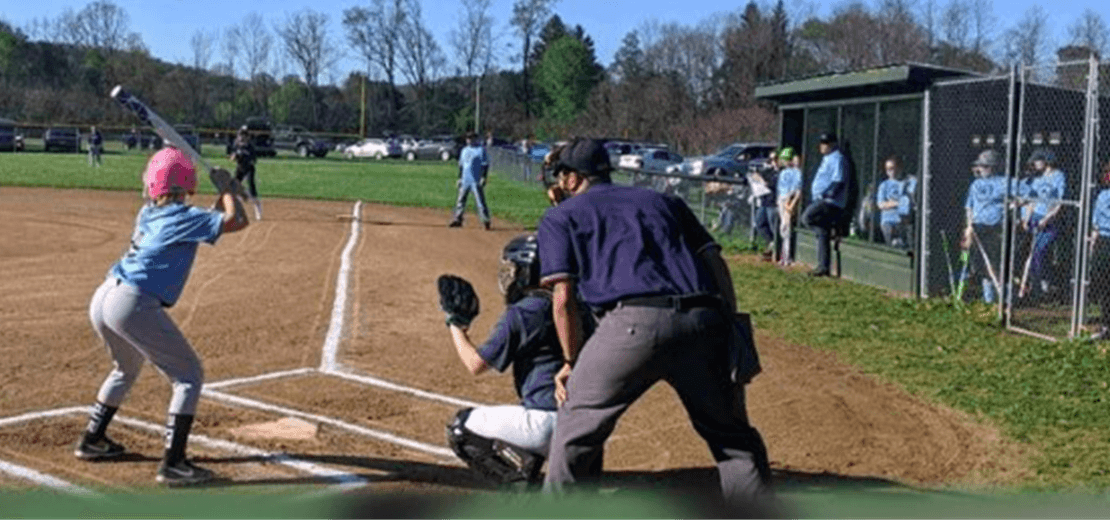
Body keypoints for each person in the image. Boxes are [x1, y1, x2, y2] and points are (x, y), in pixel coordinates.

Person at [536, 138, 772, 509]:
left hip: (629, 326)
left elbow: (563, 299)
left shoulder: (560, 217)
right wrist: (730, 326)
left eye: (560, 174)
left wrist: (570, 361)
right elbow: (715, 264)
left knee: (574, 432)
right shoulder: (665, 201)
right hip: (703, 319)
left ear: (571, 180)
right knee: (733, 439)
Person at [75, 148, 249, 486]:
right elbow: (236, 220)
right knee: (189, 376)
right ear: (187, 183)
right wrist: (227, 190)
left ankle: (92, 439)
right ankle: (174, 464)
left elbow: (206, 222)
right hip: (133, 303)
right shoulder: (184, 218)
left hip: (105, 297)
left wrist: (228, 187)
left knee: (125, 369)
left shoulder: (148, 214)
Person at [444, 234, 591, 487]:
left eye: (514, 268)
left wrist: (455, 325)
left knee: (461, 428)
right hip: (585, 426)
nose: (510, 276)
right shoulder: (578, 305)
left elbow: (475, 364)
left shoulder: (526, 311)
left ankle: (520, 488)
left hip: (547, 425)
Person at [1016, 148, 1066, 300]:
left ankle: (1046, 286)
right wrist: (1026, 218)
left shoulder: (1058, 176)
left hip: (1048, 220)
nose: (1035, 164)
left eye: (1037, 160)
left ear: (1046, 161)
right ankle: (1035, 288)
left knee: (1039, 252)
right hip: (1035, 218)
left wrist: (1048, 218)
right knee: (1030, 253)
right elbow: (1033, 200)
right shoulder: (1038, 177)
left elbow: (1059, 202)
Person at [961, 149, 1007, 304]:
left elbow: (1017, 200)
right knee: (978, 262)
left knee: (993, 262)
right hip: (977, 226)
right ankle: (989, 298)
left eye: (984, 166)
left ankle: (1001, 298)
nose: (980, 169)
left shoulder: (1003, 182)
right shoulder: (976, 184)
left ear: (993, 167)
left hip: (995, 227)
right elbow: (969, 207)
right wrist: (969, 227)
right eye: (979, 166)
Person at [801, 133, 849, 277]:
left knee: (806, 218)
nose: (823, 146)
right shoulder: (826, 158)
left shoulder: (837, 158)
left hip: (830, 202)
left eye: (826, 143)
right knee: (821, 231)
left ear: (833, 144)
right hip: (821, 199)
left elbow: (838, 181)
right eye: (822, 143)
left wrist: (826, 195)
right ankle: (823, 267)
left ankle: (833, 228)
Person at [448, 132, 492, 230]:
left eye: (471, 138)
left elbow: (485, 165)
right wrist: (459, 178)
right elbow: (461, 166)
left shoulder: (480, 150)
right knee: (460, 200)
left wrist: (483, 177)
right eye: (468, 138)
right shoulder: (464, 150)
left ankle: (485, 220)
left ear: (475, 139)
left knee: (480, 201)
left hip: (475, 180)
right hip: (465, 179)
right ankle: (458, 219)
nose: (469, 140)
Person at [1087, 160, 1110, 340]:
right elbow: (1095, 224)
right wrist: (1092, 244)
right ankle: (1105, 325)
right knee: (1103, 282)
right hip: (1104, 238)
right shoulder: (1103, 195)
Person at [875, 156, 915, 248]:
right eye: (887, 169)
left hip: (903, 222)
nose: (890, 171)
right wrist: (897, 203)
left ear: (899, 168)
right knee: (894, 245)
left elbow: (911, 200)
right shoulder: (884, 185)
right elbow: (881, 204)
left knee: (907, 247)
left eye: (893, 168)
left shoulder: (906, 183)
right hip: (888, 221)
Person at [749, 153, 779, 261]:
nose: (772, 161)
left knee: (773, 225)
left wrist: (764, 182)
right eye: (770, 159)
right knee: (759, 222)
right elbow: (754, 175)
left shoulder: (780, 173)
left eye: (775, 159)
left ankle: (775, 249)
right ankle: (770, 243)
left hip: (773, 203)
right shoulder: (769, 171)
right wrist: (756, 177)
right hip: (764, 201)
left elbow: (773, 184)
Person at [229, 126, 263, 221]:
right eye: (241, 135)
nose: (242, 137)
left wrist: (244, 157)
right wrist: (234, 156)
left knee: (252, 189)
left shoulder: (250, 147)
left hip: (249, 169)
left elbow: (253, 160)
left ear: (247, 137)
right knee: (233, 188)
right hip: (239, 168)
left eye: (244, 135)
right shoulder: (236, 145)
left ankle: (257, 207)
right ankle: (236, 210)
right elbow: (231, 157)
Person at [776, 148, 802, 266]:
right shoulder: (783, 172)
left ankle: (787, 257)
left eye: (786, 159)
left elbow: (797, 190)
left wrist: (791, 203)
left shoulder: (797, 172)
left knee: (786, 227)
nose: (784, 162)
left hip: (788, 199)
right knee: (783, 228)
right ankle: (783, 256)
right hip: (781, 199)